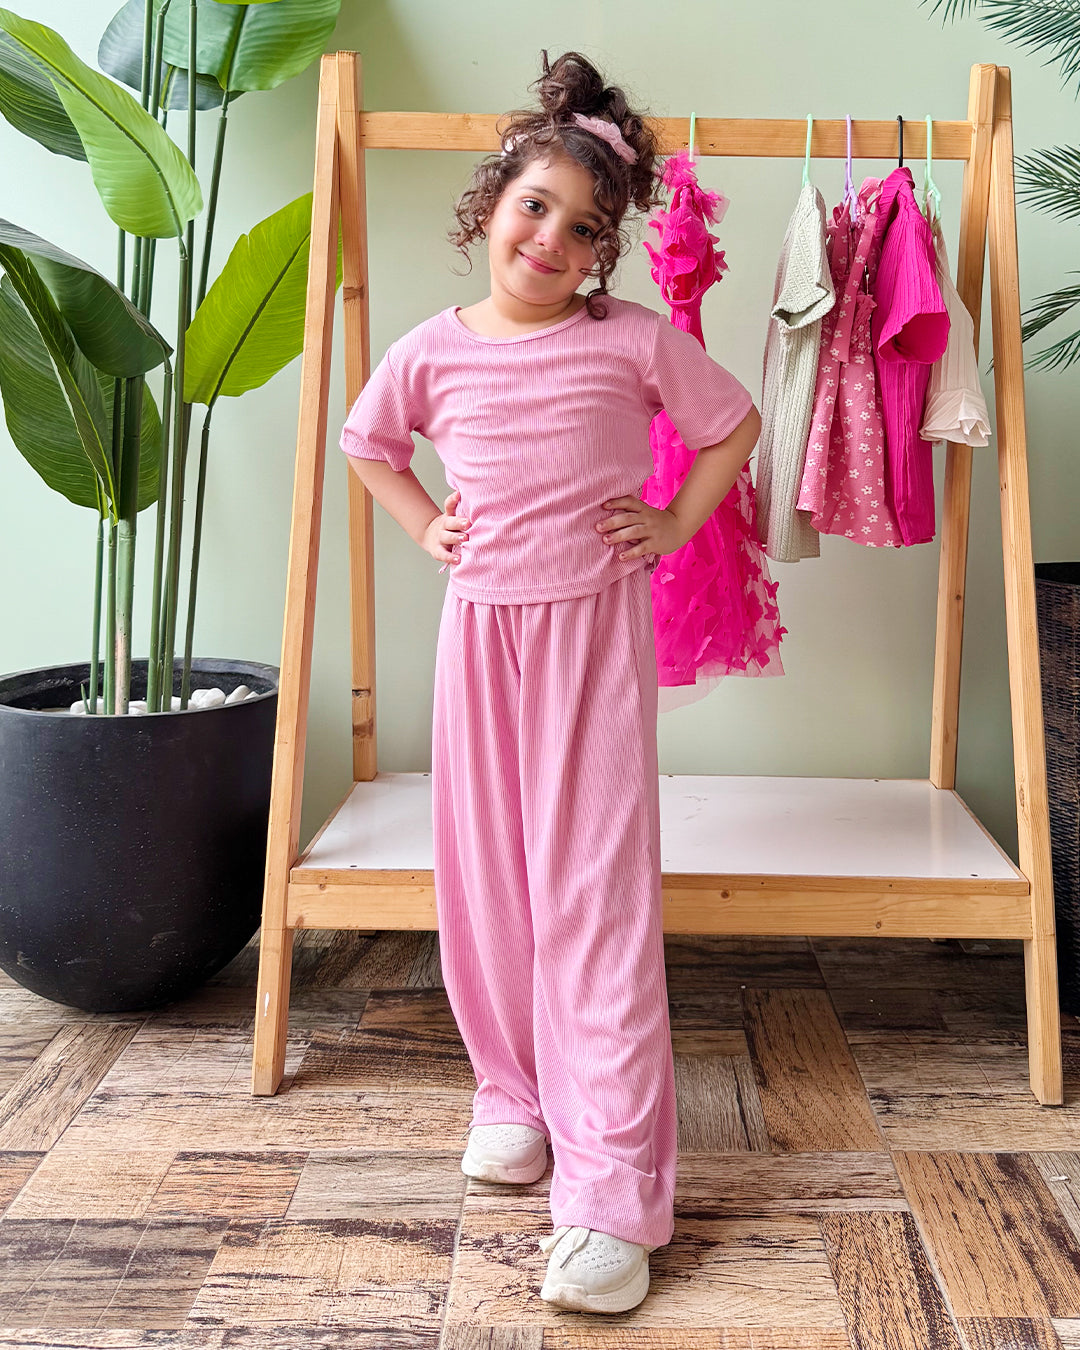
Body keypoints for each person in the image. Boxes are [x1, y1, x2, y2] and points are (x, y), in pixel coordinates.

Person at [340, 50, 761, 1315]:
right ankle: (514, 1092)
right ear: (490, 207)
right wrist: (424, 528)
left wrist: (677, 522)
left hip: (589, 640)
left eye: (583, 230)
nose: (551, 239)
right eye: (534, 207)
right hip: (480, 640)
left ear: (603, 255)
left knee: (596, 899)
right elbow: (369, 444)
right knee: (485, 886)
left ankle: (615, 1194)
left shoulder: (632, 341)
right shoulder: (430, 351)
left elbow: (732, 424)